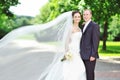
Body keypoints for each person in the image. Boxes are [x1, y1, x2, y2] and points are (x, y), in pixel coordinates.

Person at [0, 11, 86, 80]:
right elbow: (66, 42)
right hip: (71, 53)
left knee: (80, 70)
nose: (77, 18)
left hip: (78, 52)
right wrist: (67, 53)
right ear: (72, 18)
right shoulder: (70, 28)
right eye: (75, 17)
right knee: (70, 72)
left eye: (79, 16)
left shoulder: (79, 28)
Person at [80, 9, 100, 80]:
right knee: (83, 74)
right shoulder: (82, 25)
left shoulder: (94, 25)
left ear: (91, 15)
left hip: (90, 56)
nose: (85, 16)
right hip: (82, 54)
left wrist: (93, 55)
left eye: (87, 14)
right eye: (84, 14)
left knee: (90, 74)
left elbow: (96, 41)